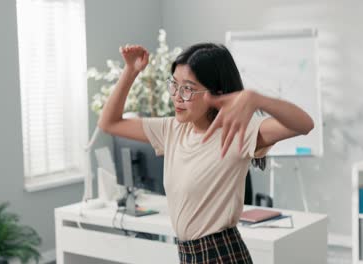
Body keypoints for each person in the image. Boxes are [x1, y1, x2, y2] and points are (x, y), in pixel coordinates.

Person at [98, 43, 314, 264]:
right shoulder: (172, 129)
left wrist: (258, 100)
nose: (178, 97)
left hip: (221, 254)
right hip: (187, 254)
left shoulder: (238, 130)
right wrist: (131, 71)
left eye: (188, 89)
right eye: (174, 85)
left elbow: (304, 124)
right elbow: (109, 123)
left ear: (216, 93)